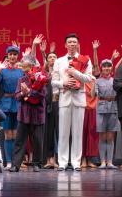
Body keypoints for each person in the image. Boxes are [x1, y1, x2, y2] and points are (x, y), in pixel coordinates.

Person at [51, 33, 94, 171]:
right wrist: (63, 83)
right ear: (65, 45)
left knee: (77, 133)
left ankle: (76, 162)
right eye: (69, 42)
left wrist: (75, 72)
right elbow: (53, 82)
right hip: (64, 98)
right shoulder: (59, 61)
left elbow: (89, 79)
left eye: (74, 42)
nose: (72, 44)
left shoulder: (85, 60)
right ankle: (62, 162)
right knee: (63, 132)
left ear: (78, 44)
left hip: (79, 99)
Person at [10, 55, 47, 172]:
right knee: (20, 141)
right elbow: (16, 96)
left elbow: (42, 95)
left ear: (31, 65)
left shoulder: (40, 77)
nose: (22, 66)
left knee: (37, 140)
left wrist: (29, 92)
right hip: (24, 114)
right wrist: (23, 93)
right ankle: (15, 165)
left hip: (37, 114)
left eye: (24, 64)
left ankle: (37, 164)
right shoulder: (21, 80)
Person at [0, 45, 25, 166]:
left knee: (16, 134)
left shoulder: (21, 71)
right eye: (10, 54)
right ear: (7, 56)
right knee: (7, 134)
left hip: (18, 102)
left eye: (15, 54)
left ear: (17, 56)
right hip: (5, 103)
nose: (12, 56)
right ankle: (9, 161)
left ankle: (16, 161)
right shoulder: (3, 71)